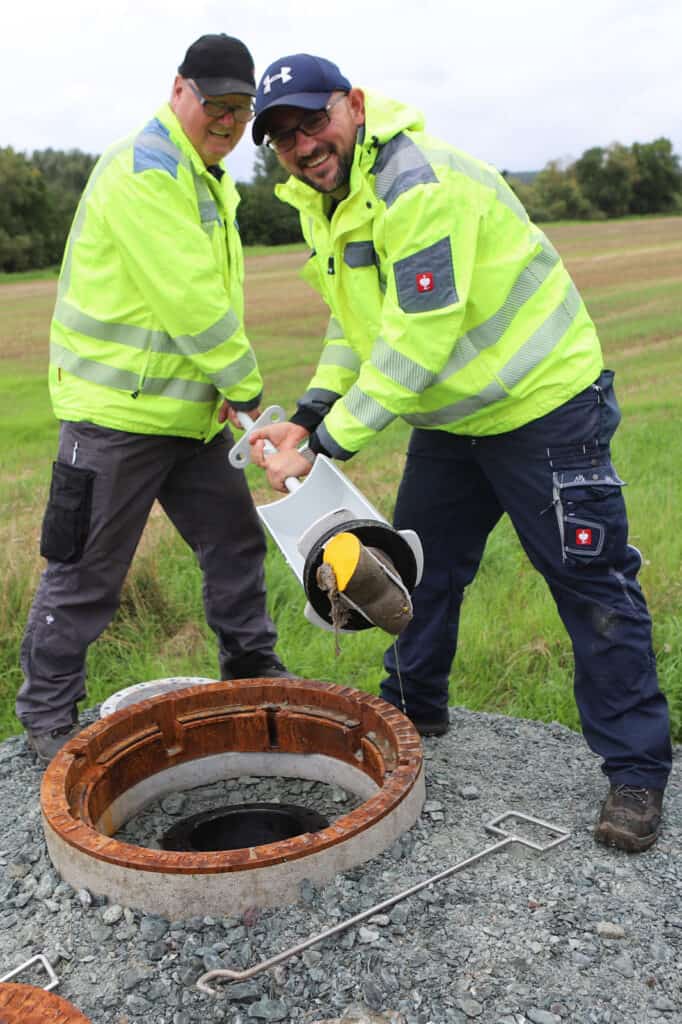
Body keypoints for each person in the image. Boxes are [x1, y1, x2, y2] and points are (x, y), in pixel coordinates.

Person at [245, 53, 672, 852]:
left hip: (542, 405)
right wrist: (307, 414)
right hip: (455, 419)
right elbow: (358, 324)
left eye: (314, 121)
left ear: (355, 105)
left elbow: (421, 335)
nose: (303, 144)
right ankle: (413, 714)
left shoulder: (414, 185)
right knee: (415, 569)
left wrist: (330, 443)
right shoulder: (325, 201)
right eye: (284, 136)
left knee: (589, 584)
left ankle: (637, 773)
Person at [17, 34, 291, 766]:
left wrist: (223, 402)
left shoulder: (205, 176)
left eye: (241, 107)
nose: (228, 121)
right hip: (116, 419)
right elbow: (192, 300)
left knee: (234, 544)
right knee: (85, 574)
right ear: (180, 91)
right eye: (216, 104)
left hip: (189, 420)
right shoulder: (147, 168)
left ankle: (252, 672)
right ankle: (46, 719)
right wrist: (248, 392)